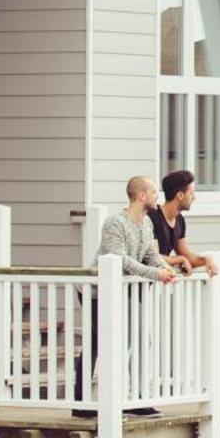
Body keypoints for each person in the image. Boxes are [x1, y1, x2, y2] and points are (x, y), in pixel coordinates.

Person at [79, 176, 177, 416]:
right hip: (97, 292)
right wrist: (155, 274)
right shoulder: (115, 223)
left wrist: (165, 267)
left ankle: (138, 399)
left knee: (142, 338)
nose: (158, 197)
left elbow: (148, 255)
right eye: (154, 192)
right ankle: (80, 403)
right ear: (141, 195)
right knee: (98, 344)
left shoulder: (146, 224)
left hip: (124, 291)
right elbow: (120, 258)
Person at [150, 169, 217, 277]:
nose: (194, 197)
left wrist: (206, 260)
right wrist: (180, 259)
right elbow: (153, 257)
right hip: (136, 286)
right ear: (180, 195)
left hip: (157, 285)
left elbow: (186, 255)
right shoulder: (152, 217)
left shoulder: (179, 220)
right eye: (191, 193)